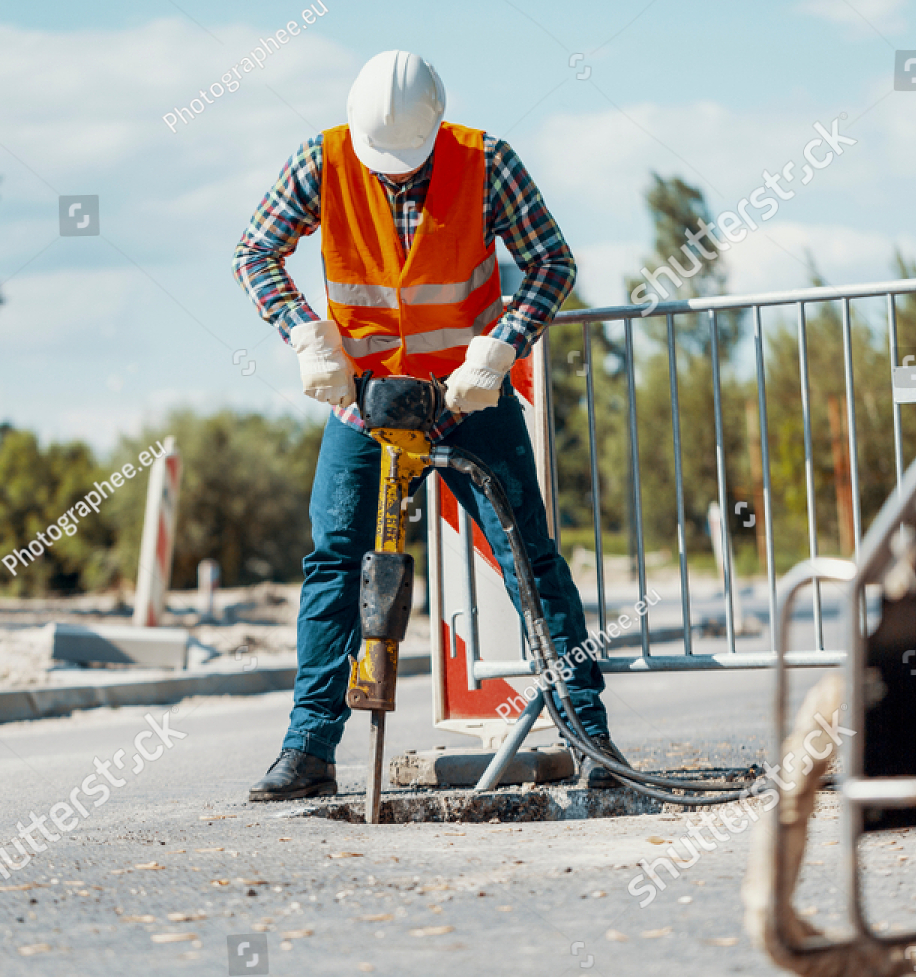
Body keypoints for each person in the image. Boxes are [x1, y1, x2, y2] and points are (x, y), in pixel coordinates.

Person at [232, 50, 625, 800]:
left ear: (436, 128)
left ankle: (589, 734)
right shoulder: (324, 159)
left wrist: (501, 347)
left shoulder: (487, 162)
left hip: (467, 396)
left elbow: (552, 262)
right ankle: (309, 748)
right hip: (366, 400)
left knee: (529, 559)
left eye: (405, 163)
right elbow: (255, 251)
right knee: (335, 562)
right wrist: (305, 333)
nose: (391, 175)